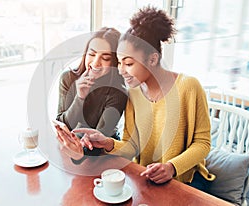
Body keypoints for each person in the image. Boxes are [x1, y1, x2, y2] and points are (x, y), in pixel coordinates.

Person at [56, 6, 215, 191]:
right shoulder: (134, 93)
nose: (121, 70)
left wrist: (172, 167)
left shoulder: (188, 86)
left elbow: (203, 143)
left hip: (186, 179)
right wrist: (107, 142)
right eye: (120, 62)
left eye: (129, 63)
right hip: (145, 177)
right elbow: (132, 146)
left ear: (152, 59)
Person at [56, 27, 128, 163]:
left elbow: (99, 138)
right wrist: (80, 98)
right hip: (71, 147)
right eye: (92, 54)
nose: (95, 63)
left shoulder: (118, 93)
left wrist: (79, 153)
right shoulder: (68, 78)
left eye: (105, 58)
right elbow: (62, 125)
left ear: (114, 62)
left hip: (102, 153)